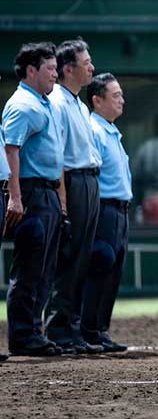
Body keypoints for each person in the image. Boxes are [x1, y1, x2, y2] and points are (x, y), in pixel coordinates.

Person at [2, 43, 64, 357]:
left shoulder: (43, 103)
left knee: (44, 267)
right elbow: (10, 150)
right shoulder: (23, 105)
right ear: (31, 70)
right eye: (50, 68)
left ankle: (33, 333)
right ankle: (23, 336)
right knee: (29, 267)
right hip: (30, 192)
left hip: (47, 191)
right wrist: (15, 197)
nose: (56, 73)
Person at [46, 39, 104, 355]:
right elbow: (59, 157)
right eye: (86, 63)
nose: (91, 68)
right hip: (74, 182)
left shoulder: (79, 104)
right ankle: (58, 328)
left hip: (90, 182)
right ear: (68, 69)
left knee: (83, 258)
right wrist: (64, 198)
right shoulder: (57, 102)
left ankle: (73, 328)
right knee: (69, 258)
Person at [82, 73, 131, 353]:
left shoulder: (111, 130)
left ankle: (100, 329)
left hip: (121, 211)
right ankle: (88, 329)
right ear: (97, 101)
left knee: (113, 271)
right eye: (115, 96)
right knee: (100, 264)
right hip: (104, 209)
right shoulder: (95, 131)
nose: (121, 100)